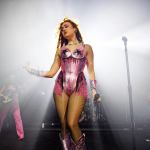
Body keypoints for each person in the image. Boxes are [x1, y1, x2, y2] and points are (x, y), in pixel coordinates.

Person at [25, 18, 100, 150]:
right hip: (61, 87)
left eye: (66, 26)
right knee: (64, 123)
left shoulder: (87, 48)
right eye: (62, 28)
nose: (63, 29)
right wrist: (32, 70)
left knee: (72, 122)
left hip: (79, 86)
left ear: (74, 28)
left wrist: (94, 90)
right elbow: (51, 72)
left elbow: (91, 71)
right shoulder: (61, 50)